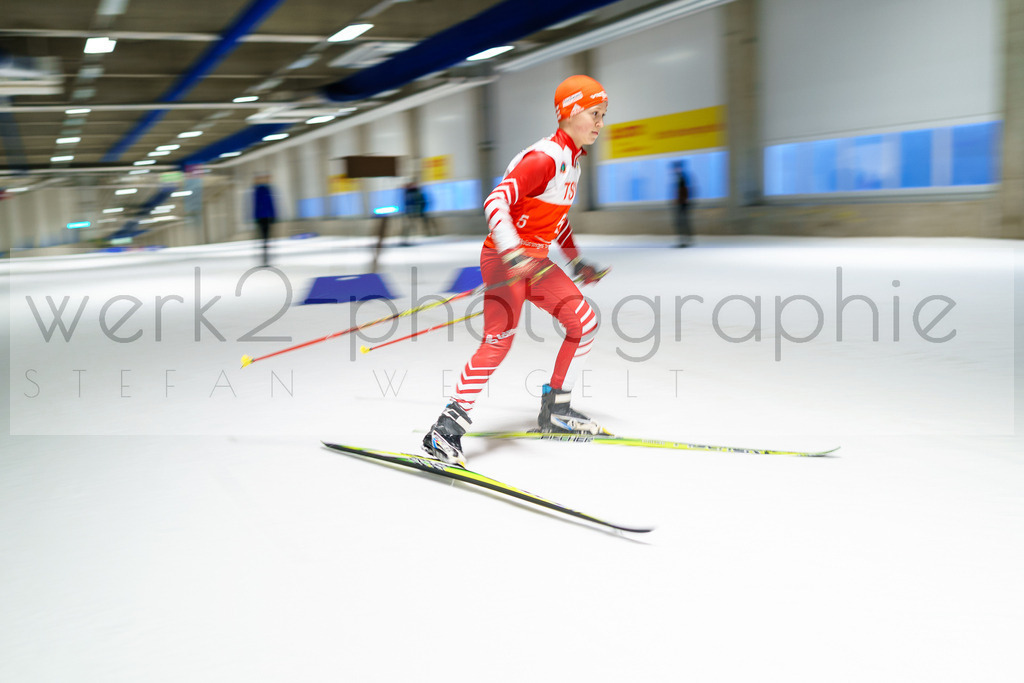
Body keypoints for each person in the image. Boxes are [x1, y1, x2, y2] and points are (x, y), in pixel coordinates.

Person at [422, 75, 610, 466]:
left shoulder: (571, 163)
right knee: (498, 341)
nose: (600, 123)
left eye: (603, 115)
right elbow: (495, 202)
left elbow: (555, 219)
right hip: (504, 261)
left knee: (585, 322)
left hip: (535, 263)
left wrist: (575, 261)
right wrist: (512, 253)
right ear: (571, 112)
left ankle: (556, 408)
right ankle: (445, 430)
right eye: (594, 114)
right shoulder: (543, 158)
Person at [252, 174, 276, 266]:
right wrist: (273, 215)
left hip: (262, 217)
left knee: (264, 238)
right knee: (265, 238)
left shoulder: (258, 191)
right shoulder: (265, 190)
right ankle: (265, 258)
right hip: (265, 217)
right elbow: (269, 204)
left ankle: (265, 258)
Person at [672, 160, 693, 247]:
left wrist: (682, 200)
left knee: (681, 222)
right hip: (682, 202)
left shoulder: (682, 177)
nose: (674, 170)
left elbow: (684, 190)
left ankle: (685, 241)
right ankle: (686, 240)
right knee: (683, 222)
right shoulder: (681, 177)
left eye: (675, 168)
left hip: (682, 203)